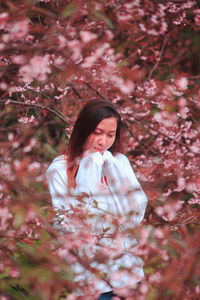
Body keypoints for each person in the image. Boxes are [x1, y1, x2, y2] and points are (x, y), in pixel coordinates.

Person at [46, 99, 148, 299]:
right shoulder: (60, 169)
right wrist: (90, 167)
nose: (103, 142)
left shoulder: (118, 162)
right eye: (97, 133)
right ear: (83, 129)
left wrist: (110, 167)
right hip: (91, 280)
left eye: (110, 135)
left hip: (128, 274)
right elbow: (73, 225)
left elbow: (134, 213)